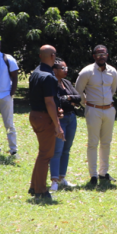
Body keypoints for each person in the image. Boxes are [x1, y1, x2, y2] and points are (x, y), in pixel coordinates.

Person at [75, 45, 117, 187]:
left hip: (109, 110)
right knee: (93, 143)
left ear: (107, 55)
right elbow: (78, 90)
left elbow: (113, 90)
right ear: (94, 56)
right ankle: (93, 175)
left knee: (106, 142)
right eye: (98, 54)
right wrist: (86, 104)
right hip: (93, 110)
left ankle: (103, 172)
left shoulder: (112, 71)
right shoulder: (87, 72)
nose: (101, 57)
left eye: (104, 54)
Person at [28, 45, 65, 202]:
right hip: (44, 118)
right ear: (52, 56)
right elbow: (49, 102)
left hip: (35, 115)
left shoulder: (35, 73)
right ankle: (41, 191)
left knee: (42, 153)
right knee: (46, 155)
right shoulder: (49, 77)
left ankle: (34, 186)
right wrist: (57, 125)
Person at [49, 58, 81, 192]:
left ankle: (62, 178)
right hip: (60, 119)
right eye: (63, 68)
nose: (66, 70)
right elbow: (56, 101)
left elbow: (78, 97)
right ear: (55, 70)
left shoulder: (66, 83)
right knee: (57, 150)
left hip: (71, 118)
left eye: (66, 68)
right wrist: (69, 99)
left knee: (66, 149)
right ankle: (54, 181)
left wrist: (68, 98)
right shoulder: (51, 83)